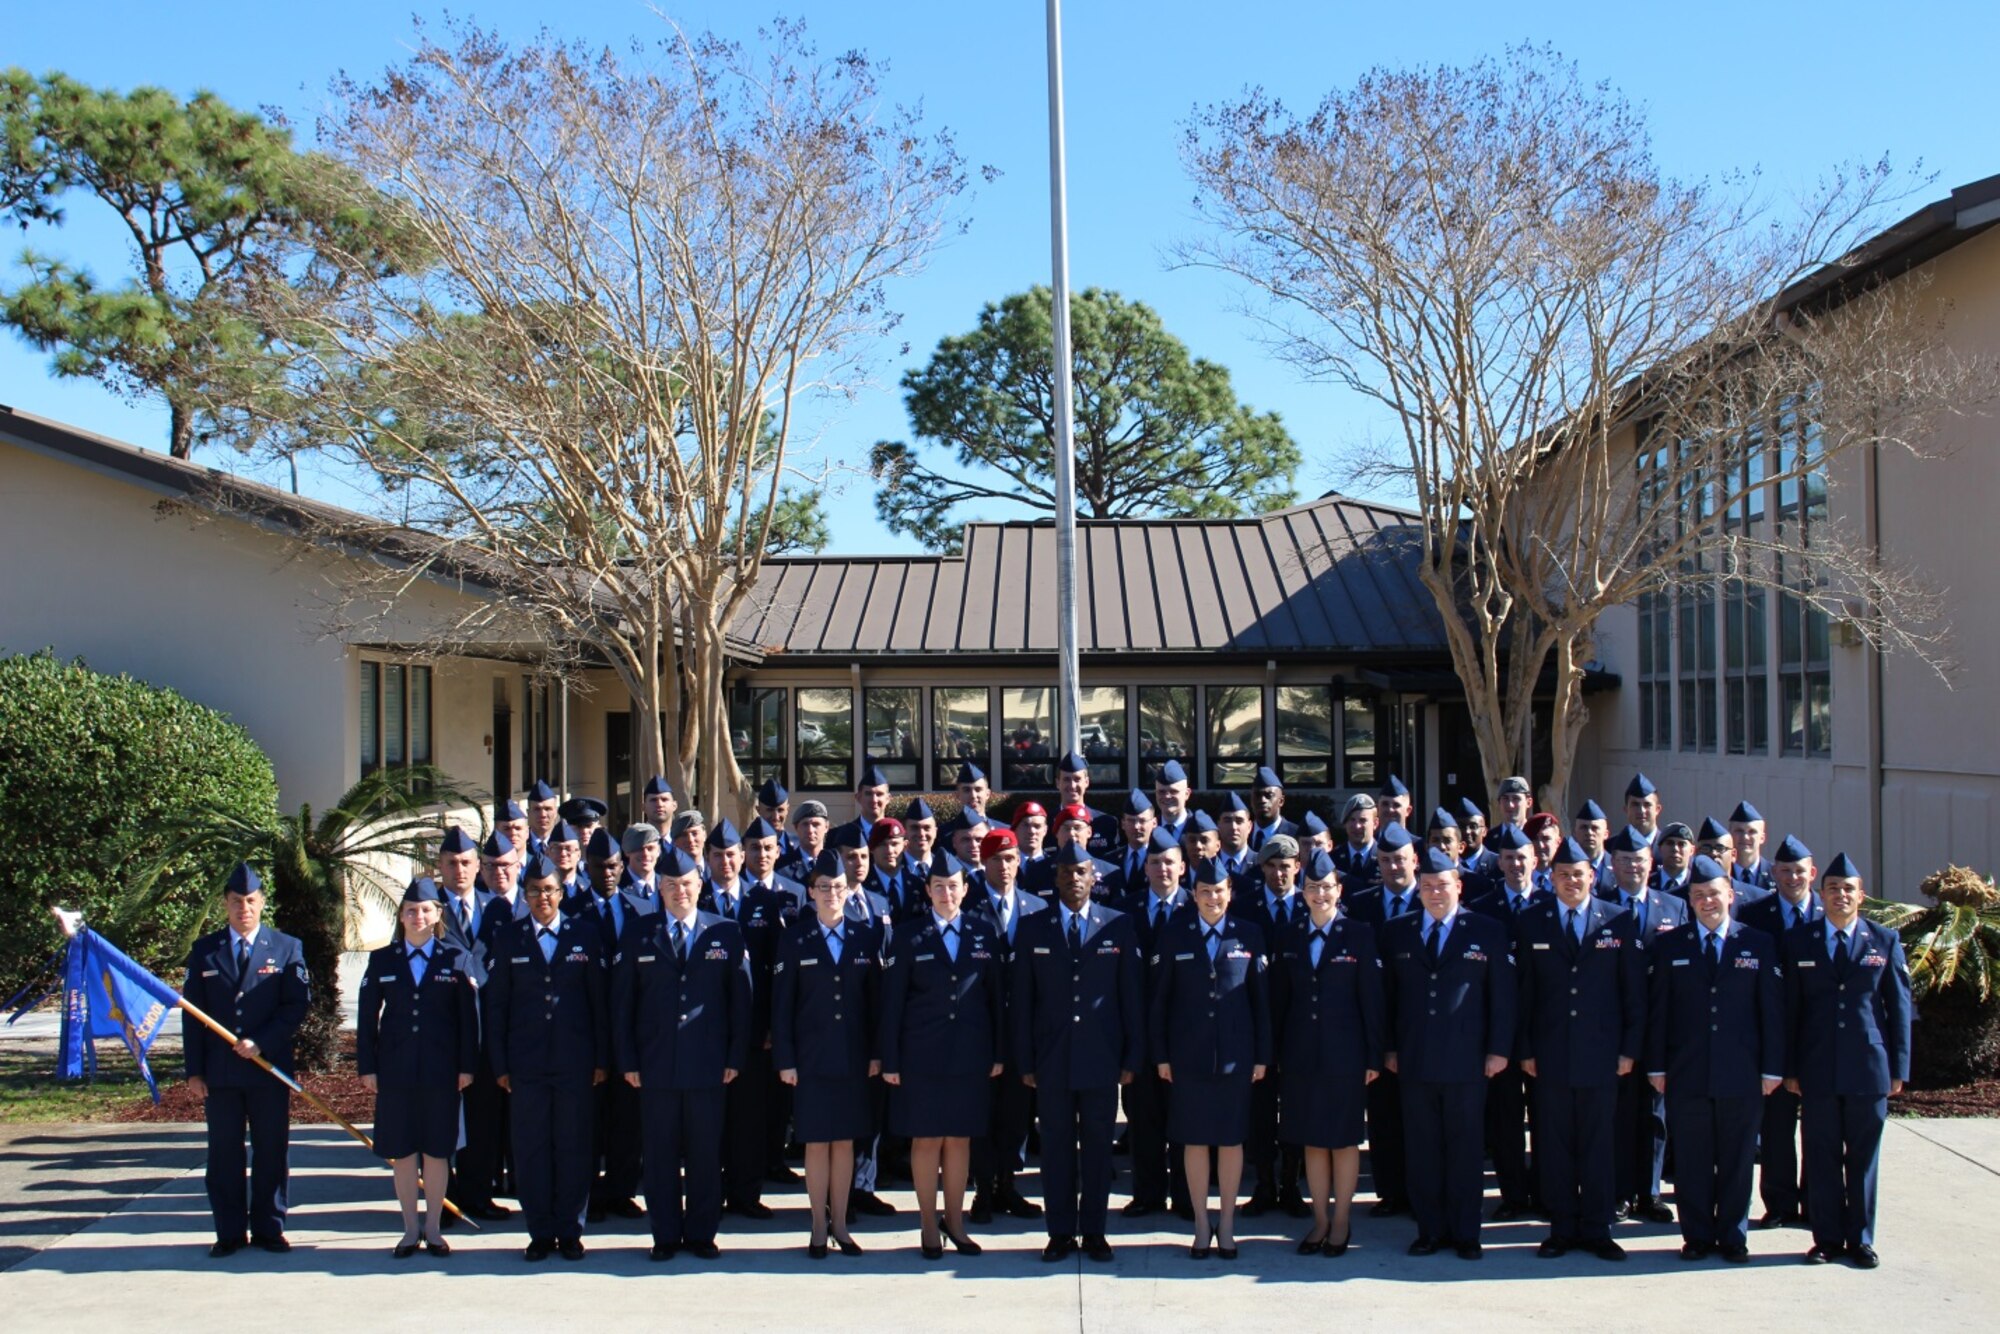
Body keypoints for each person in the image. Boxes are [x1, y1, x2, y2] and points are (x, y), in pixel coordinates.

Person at [613, 846, 753, 1262]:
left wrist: (735, 1056)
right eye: (671, 885)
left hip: (708, 1062)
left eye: (687, 884)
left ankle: (702, 1233)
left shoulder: (725, 931)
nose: (679, 892)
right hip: (655, 1064)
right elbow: (622, 1003)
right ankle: (665, 1235)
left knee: (705, 1153)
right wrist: (628, 1060)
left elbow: (740, 1001)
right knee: (658, 1154)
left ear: (700, 885)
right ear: (659, 888)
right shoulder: (639, 931)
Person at [1010, 840, 1145, 1263]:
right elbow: (1022, 1001)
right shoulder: (1034, 927)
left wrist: (1131, 1058)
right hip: (1050, 1060)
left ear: (1094, 878)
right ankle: (1060, 1232)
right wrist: (1026, 1061)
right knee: (1055, 1149)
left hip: (1102, 1058)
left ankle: (1095, 1232)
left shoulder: (1117, 926)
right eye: (1066, 873)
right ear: (1056, 879)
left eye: (1082, 872)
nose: (1074, 879)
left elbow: (1131, 999)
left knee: (1099, 1148)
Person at [1646, 856, 1785, 1263]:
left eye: (1714, 894)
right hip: (1686, 1071)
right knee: (1691, 1158)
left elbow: (1771, 1013)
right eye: (1699, 895)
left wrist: (1772, 1067)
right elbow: (1660, 1012)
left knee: (1738, 1159)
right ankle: (1697, 1236)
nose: (1707, 902)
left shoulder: (1757, 943)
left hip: (1742, 1072)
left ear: (1731, 895)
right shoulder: (1671, 945)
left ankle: (1733, 1236)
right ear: (1689, 900)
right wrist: (1656, 1065)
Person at [1380, 846, 1515, 1260]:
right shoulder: (1398, 930)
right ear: (1418, 890)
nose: (1435, 893)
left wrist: (1498, 1050)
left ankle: (1466, 1232)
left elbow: (1503, 997)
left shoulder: (1486, 929)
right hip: (1415, 1059)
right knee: (1422, 1149)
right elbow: (1388, 998)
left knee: (1465, 1148)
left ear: (1458, 886)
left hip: (1468, 1061)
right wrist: (1388, 1048)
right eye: (1427, 887)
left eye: (1442, 885)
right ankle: (1430, 1230)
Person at [1514, 839, 1645, 1261]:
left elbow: (1633, 994)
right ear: (1550, 879)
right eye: (1563, 874)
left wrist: (1629, 1049)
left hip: (1602, 1054)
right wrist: (1526, 1048)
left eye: (1579, 874)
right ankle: (1562, 1227)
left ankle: (1597, 1227)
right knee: (1553, 1144)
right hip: (1550, 1054)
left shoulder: (1619, 921)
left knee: (1598, 1143)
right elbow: (1525, 993)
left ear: (1594, 876)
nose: (1572, 881)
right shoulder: (1532, 920)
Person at [1784, 852, 1911, 1269]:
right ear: (1821, 894)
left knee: (1862, 1158)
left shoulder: (1884, 941)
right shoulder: (1801, 940)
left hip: (1868, 1068)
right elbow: (1791, 1010)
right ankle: (1826, 1239)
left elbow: (1899, 1008)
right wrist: (1790, 1067)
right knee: (1820, 1156)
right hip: (1817, 1067)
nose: (1840, 895)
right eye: (1833, 889)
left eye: (1848, 889)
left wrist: (1899, 1068)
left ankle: (1860, 1239)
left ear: (1862, 896)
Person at [878, 851, 1005, 1259]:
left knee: (959, 1141)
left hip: (970, 1053)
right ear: (928, 891)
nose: (946, 893)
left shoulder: (984, 932)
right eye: (939, 886)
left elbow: (995, 999)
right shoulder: (908, 936)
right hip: (922, 1056)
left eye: (953, 886)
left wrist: (999, 1052)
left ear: (966, 890)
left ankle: (956, 1222)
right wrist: (891, 1059)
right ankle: (929, 1225)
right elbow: (892, 1003)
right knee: (927, 1139)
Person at [483, 854, 608, 1262]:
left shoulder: (585, 935)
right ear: (525, 894)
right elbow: (497, 1006)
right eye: (534, 891)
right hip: (526, 1064)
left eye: (549, 890)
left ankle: (571, 1231)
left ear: (561, 892)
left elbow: (598, 1004)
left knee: (573, 1146)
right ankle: (539, 1231)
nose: (542, 897)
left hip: (575, 1061)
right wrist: (500, 1065)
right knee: (531, 1149)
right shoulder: (508, 938)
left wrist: (601, 1058)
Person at [183, 863, 311, 1258]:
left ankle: (271, 1228)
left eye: (251, 901)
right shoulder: (205, 951)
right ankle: (229, 1231)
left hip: (267, 1069)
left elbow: (296, 1007)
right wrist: (194, 1071)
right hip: (221, 1073)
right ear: (226, 904)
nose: (244, 909)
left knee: (271, 1150)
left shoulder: (287, 948)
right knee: (224, 1153)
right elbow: (192, 1013)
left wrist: (262, 1041)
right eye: (236, 902)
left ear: (262, 903)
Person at [1150, 856, 1271, 1262]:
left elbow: (1261, 1003)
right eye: (1205, 892)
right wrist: (1162, 1055)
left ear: (1229, 893)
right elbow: (1160, 1002)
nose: (1212, 898)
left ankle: (1229, 1225)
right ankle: (1202, 1224)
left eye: (1219, 891)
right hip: (1188, 1059)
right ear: (1194, 894)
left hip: (1237, 1058)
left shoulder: (1249, 935)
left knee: (1232, 1140)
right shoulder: (1174, 935)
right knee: (1195, 1140)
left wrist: (1262, 1056)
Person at [1268, 847, 1385, 1257]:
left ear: (1340, 889)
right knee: (1313, 1141)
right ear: (1302, 892)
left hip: (1346, 1056)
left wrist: (1374, 1056)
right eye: (1313, 887)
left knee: (1344, 1141)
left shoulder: (1359, 934)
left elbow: (1371, 1000)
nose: (1320, 895)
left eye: (1327, 887)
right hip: (1300, 1055)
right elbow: (1279, 1002)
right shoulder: (1289, 935)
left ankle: (1341, 1222)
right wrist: (1276, 1051)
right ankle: (1319, 1221)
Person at [357, 878, 479, 1258]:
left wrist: (466, 1066)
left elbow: (468, 1020)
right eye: (411, 910)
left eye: (425, 910)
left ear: (437, 915)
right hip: (396, 1071)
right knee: (404, 1152)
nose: (418, 916)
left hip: (442, 1071)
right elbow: (366, 1019)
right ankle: (410, 1228)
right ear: (401, 916)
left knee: (438, 1151)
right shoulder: (382, 960)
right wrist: (368, 1066)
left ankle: (434, 1228)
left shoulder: (455, 958)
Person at [773, 850, 883, 1259]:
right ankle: (818, 1226)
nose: (832, 894)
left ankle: (841, 1223)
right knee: (817, 1143)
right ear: (810, 892)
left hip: (854, 1057)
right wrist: (785, 1058)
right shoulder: (794, 938)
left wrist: (877, 1053)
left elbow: (875, 1005)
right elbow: (781, 1005)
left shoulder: (865, 937)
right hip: (811, 1058)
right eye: (824, 888)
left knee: (846, 1144)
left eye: (838, 887)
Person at [700, 819, 790, 1223]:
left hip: (753, 1031)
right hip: (705, 1030)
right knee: (709, 1121)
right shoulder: (695, 898)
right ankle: (708, 1193)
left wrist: (771, 1025)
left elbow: (776, 971)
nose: (725, 862)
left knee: (749, 1118)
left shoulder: (763, 903)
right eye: (717, 855)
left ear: (743, 858)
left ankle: (745, 1193)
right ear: (707, 858)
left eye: (731, 855)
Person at [1596, 827, 1688, 1224]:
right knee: (1617, 1112)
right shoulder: (1598, 907)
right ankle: (1618, 1192)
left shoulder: (1675, 907)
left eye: (1639, 859)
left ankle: (1649, 1193)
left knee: (1655, 1113)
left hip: (1660, 1025)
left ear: (1652, 863)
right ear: (1611, 865)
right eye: (1624, 859)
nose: (1632, 866)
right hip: (1614, 1027)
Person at [967, 827, 1046, 1224]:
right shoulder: (970, 908)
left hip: (1024, 1028)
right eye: (996, 858)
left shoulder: (1035, 909)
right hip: (982, 1026)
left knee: (1017, 1110)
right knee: (983, 1108)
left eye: (1011, 858)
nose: (1005, 866)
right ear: (983, 862)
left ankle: (1007, 1184)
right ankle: (983, 1187)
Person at [1743, 834, 1823, 1230]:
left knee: (1819, 1127)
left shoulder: (1831, 912)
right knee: (1775, 1126)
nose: (1792, 877)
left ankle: (1814, 1200)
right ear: (1773, 873)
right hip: (1771, 1034)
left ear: (1813, 872)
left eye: (1799, 870)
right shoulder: (1754, 915)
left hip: (1820, 1038)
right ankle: (1779, 1203)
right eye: (1784, 871)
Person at [1463, 824, 1542, 1221]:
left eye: (1522, 857)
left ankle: (1544, 1192)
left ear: (1536, 860)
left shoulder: (1548, 903)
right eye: (1508, 858)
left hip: (1542, 1028)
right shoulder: (1483, 907)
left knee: (1545, 1118)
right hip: (1497, 1029)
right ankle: (1513, 1195)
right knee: (1505, 1119)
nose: (1515, 865)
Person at [1346, 821, 1420, 1216]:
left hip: (1419, 1025)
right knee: (1384, 1115)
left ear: (1415, 861)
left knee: (1419, 1115)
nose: (1394, 867)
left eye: (1401, 860)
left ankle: (1420, 1189)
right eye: (1387, 860)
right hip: (1374, 1023)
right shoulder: (1361, 903)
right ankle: (1390, 1192)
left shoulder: (1430, 900)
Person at [1118, 829, 1192, 1221]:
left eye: (1169, 862)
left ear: (1183, 867)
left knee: (1182, 1118)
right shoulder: (1124, 912)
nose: (1162, 869)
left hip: (1182, 1035)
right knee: (1142, 1117)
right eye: (1155, 862)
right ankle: (1147, 1194)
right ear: (1145, 867)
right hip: (1139, 1033)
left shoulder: (1194, 910)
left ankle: (1184, 1196)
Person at [1235, 833, 1307, 1219]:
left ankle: (1292, 1184)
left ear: (1298, 867)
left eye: (1286, 865)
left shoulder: (1311, 905)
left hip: (1298, 1025)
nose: (1279, 872)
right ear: (1261, 868)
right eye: (1272, 866)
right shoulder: (1245, 909)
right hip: (1256, 1023)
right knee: (1259, 1112)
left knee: (1294, 1108)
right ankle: (1264, 1183)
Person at [1332, 793, 1381, 893]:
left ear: (1375, 823)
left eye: (1363, 820)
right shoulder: (1333, 859)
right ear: (1345, 824)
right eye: (1352, 820)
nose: (1357, 826)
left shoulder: (1385, 858)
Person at [1728, 801, 1776, 896]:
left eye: (1752, 832)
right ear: (1730, 835)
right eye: (1739, 831)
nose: (1745, 837)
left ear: (1762, 838)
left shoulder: (1776, 875)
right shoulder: (1722, 874)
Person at [1248, 766, 1299, 852]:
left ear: (1281, 801)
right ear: (1251, 800)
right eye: (1257, 795)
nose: (1262, 800)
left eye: (1269, 795)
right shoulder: (1243, 833)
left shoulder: (1296, 835)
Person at [1624, 774, 1662, 846]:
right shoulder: (1610, 847)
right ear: (1626, 810)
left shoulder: (1669, 849)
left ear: (1657, 810)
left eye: (1647, 805)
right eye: (1635, 804)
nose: (1641, 811)